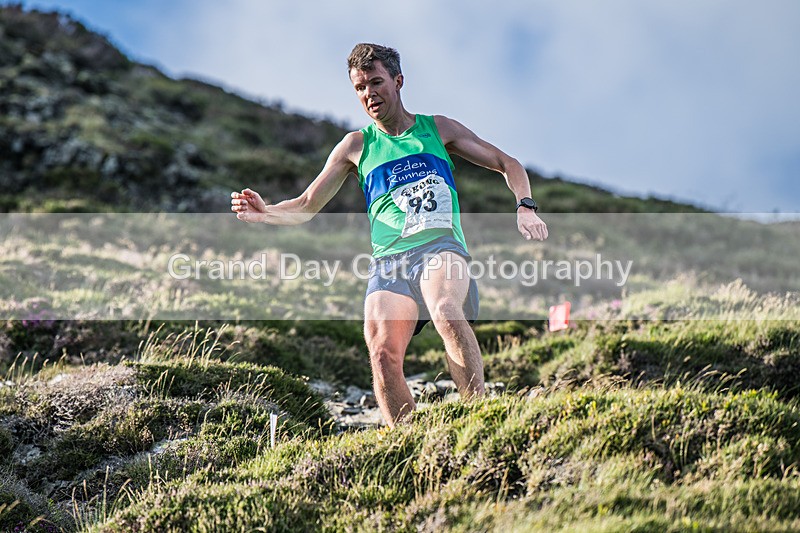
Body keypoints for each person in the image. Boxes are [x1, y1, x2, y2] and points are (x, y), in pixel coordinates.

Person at [231, 43, 548, 427]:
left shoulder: (438, 128)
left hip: (440, 249)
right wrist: (266, 214)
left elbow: (507, 163)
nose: (369, 94)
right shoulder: (355, 146)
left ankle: (481, 419)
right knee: (381, 354)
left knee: (447, 312)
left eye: (376, 82)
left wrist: (525, 205)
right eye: (360, 88)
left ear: (398, 82)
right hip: (390, 263)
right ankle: (410, 440)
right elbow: (306, 204)